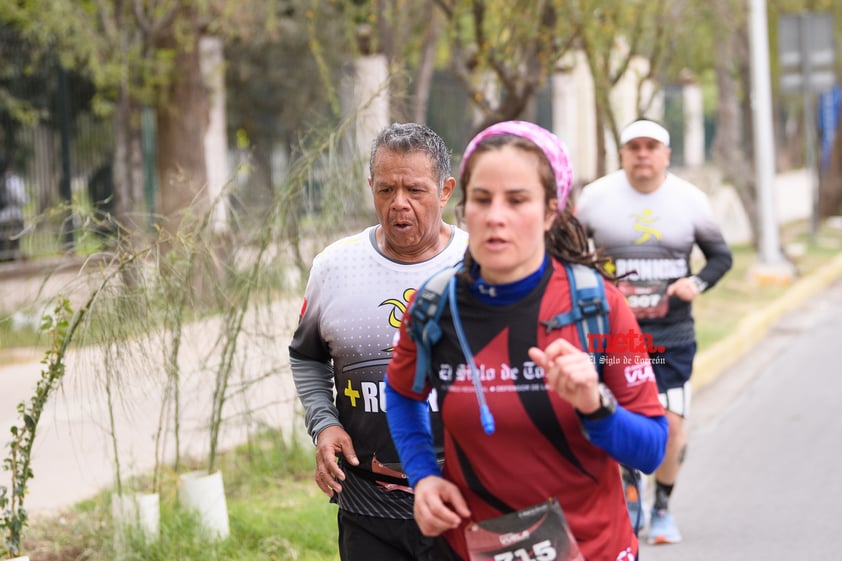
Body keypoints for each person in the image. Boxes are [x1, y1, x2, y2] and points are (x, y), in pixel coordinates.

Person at [384, 120, 668, 561]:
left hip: (596, 549)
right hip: (471, 548)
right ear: (465, 209)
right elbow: (402, 394)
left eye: (517, 200)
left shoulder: (601, 306)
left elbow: (651, 448)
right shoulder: (433, 306)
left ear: (551, 211)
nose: (496, 215)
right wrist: (422, 475)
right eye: (482, 199)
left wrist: (596, 404)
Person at [288, 122, 469, 561]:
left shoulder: (477, 266)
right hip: (368, 505)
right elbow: (306, 357)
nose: (399, 204)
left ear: (445, 190)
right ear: (370, 186)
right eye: (386, 190)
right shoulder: (334, 267)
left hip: (464, 505)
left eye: (415, 190)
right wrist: (324, 423)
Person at [576, 118, 733, 545]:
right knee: (619, 419)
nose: (642, 154)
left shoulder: (690, 200)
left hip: (670, 336)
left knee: (671, 426)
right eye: (634, 147)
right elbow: (566, 249)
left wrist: (695, 283)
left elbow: (721, 257)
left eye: (651, 146)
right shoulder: (595, 199)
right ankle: (630, 498)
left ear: (666, 154)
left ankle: (662, 507)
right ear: (622, 153)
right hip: (616, 337)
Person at [0, 157, 28, 262]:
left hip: (2, 214)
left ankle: (4, 254)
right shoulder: (13, 180)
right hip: (13, 213)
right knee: (17, 228)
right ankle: (14, 252)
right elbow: (20, 198)